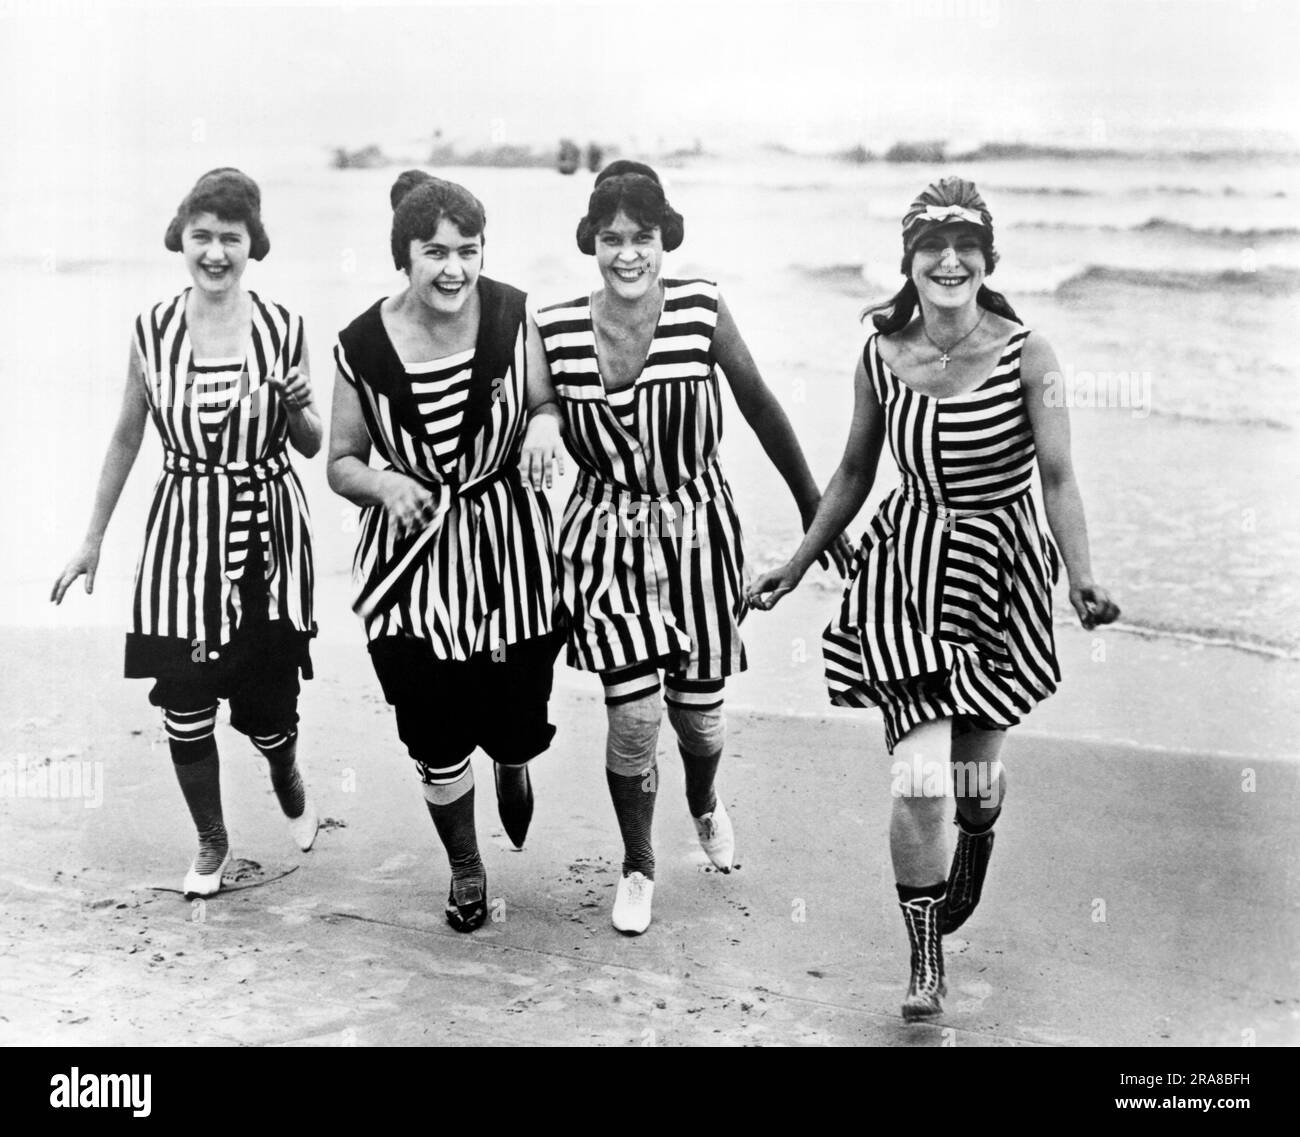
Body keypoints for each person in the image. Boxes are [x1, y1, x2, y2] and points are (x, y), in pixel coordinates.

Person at [748, 177, 1120, 1018]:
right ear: (909, 262)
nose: (949, 261)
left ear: (988, 260)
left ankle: (975, 844)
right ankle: (924, 960)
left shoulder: (1032, 354)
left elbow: (1059, 477)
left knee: (973, 785)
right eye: (932, 247)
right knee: (920, 779)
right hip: (907, 573)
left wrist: (1083, 574)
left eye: (966, 246)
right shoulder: (882, 354)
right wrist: (797, 561)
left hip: (1000, 573)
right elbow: (851, 474)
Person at [536, 161, 850, 935]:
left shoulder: (703, 308)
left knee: (700, 723)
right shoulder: (556, 328)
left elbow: (764, 410)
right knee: (634, 717)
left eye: (643, 236)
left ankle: (704, 800)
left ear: (664, 237)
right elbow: (522, 406)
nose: (629, 254)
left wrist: (819, 519)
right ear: (592, 242)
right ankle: (639, 864)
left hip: (699, 533)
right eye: (612, 238)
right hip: (603, 538)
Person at [51, 168, 322, 898]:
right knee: (185, 700)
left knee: (269, 714)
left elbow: (312, 443)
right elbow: (124, 438)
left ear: (250, 244)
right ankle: (211, 840)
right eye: (201, 236)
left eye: (229, 238)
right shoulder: (152, 331)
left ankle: (286, 770)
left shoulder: (284, 327)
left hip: (266, 532)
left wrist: (299, 407)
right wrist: (92, 538)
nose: (214, 252)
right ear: (182, 239)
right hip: (182, 538)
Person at [327, 171, 564, 933]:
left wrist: (544, 426)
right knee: (431, 728)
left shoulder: (514, 313)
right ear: (406, 256)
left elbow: (544, 402)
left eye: (468, 249)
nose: (454, 267)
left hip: (511, 555)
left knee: (517, 716)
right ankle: (466, 866)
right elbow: (339, 459)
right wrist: (384, 485)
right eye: (435, 251)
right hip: (410, 567)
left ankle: (514, 757)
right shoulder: (359, 344)